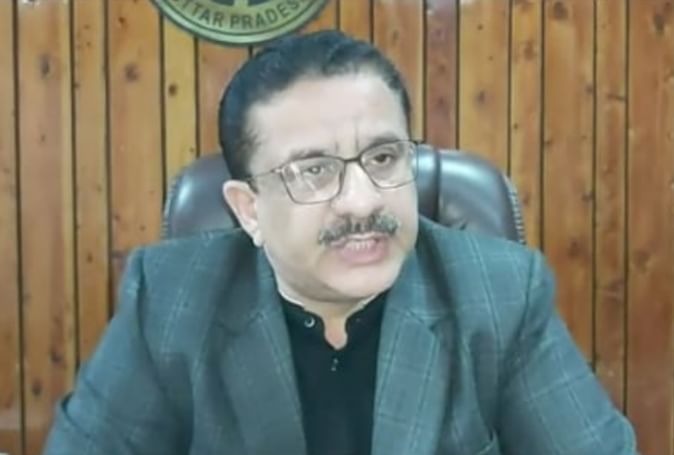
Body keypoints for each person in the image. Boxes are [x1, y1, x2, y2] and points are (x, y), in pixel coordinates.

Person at [43, 30, 637, 455]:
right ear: (249, 210)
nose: (361, 201)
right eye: (313, 171)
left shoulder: (501, 296)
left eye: (383, 158)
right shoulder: (169, 302)